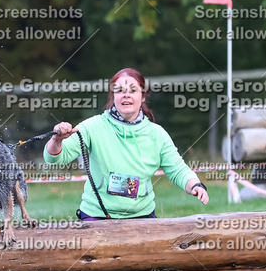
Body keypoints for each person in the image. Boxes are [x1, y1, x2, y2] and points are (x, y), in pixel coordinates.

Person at [44, 67, 209, 221]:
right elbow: (55, 158)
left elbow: (177, 169)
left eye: (132, 90)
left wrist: (195, 184)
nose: (126, 95)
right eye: (120, 90)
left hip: (142, 217)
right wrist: (56, 140)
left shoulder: (157, 134)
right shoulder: (92, 126)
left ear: (142, 96)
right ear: (113, 96)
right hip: (96, 217)